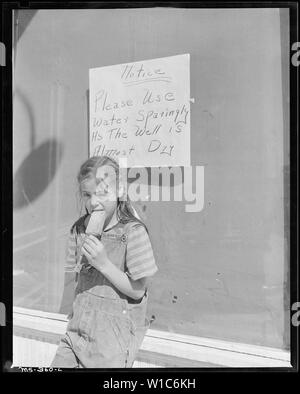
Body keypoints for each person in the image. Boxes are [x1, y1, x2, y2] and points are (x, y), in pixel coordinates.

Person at [51, 155, 158, 368]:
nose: (93, 202)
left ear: (119, 191)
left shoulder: (133, 233)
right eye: (87, 194)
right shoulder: (78, 230)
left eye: (101, 193)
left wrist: (104, 264)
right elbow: (77, 281)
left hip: (111, 343)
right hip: (75, 335)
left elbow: (138, 291)